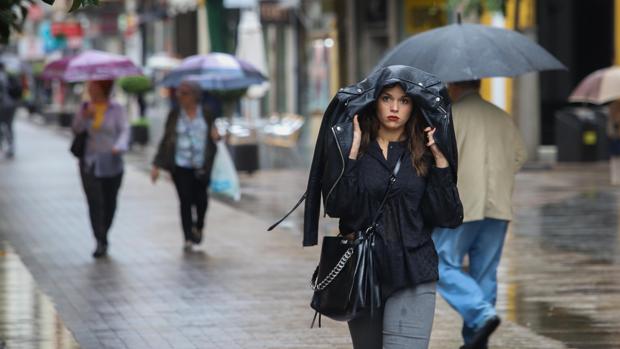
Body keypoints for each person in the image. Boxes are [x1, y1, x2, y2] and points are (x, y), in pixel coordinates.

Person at [295, 65, 463, 349]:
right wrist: (351, 153)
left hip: (414, 271)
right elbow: (337, 206)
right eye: (387, 98)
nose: (395, 107)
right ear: (375, 102)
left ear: (413, 107)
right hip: (364, 272)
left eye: (404, 100)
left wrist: (441, 162)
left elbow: (449, 216)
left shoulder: (423, 153)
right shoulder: (357, 149)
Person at [432, 80, 527, 349]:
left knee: (440, 263)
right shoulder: (501, 116)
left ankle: (480, 314)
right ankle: (476, 341)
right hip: (498, 205)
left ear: (454, 87)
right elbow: (520, 155)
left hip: (462, 205)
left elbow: (438, 157)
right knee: (484, 272)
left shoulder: (450, 116)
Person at [151, 80, 220, 250]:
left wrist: (217, 135)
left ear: (195, 95)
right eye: (178, 93)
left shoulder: (207, 113)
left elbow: (216, 136)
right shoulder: (175, 114)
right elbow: (166, 140)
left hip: (202, 165)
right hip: (180, 165)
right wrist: (156, 165)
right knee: (185, 200)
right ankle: (188, 237)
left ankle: (199, 226)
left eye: (184, 93)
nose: (180, 96)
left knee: (202, 200)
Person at [72, 80, 129, 258]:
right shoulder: (85, 108)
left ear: (103, 88)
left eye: (94, 86)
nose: (91, 89)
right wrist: (85, 115)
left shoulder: (116, 109)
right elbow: (75, 129)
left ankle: (105, 231)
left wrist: (119, 146)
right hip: (90, 162)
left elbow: (124, 130)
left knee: (110, 202)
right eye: (90, 86)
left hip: (112, 162)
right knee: (95, 202)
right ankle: (100, 239)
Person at [0, 62, 21, 158]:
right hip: (11, 104)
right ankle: (11, 147)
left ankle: (5, 147)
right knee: (9, 126)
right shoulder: (8, 76)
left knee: (3, 126)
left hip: (3, 105)